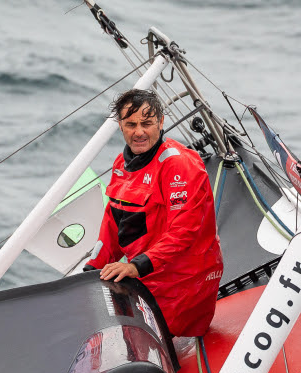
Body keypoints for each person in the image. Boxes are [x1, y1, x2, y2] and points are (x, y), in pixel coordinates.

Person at [83, 89, 224, 338]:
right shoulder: (120, 164)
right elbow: (113, 224)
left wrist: (137, 266)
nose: (139, 132)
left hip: (183, 283)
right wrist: (92, 269)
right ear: (120, 125)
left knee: (137, 341)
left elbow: (183, 232)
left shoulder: (179, 165)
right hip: (145, 278)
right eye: (131, 124)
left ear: (160, 122)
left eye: (147, 124)